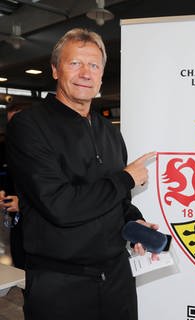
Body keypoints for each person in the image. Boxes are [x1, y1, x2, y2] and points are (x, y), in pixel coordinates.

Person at [6, 28, 158, 320]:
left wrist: (132, 220)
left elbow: (117, 200)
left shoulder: (110, 134)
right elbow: (59, 205)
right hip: (61, 285)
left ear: (102, 75)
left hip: (117, 280)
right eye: (75, 63)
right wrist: (126, 178)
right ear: (55, 69)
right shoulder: (29, 126)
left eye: (94, 65)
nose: (85, 73)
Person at [0, 102, 32, 270]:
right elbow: (9, 177)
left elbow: (58, 197)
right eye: (10, 123)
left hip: (40, 229)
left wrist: (24, 204)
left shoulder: (47, 151)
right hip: (18, 225)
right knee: (20, 268)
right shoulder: (12, 149)